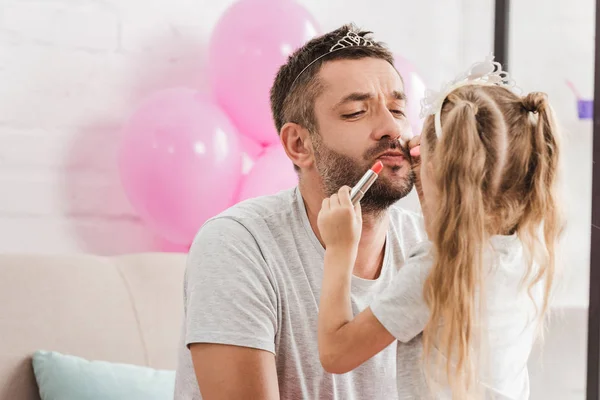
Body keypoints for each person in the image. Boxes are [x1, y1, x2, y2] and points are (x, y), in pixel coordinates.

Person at [173, 23, 426, 399]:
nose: (391, 128)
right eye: (357, 112)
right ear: (299, 144)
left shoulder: (430, 246)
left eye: (397, 108)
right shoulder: (237, 245)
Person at [316, 56, 563, 400]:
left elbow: (336, 354)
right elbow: (458, 234)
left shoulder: (436, 269)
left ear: (440, 172)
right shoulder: (524, 253)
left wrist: (340, 248)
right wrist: (429, 182)